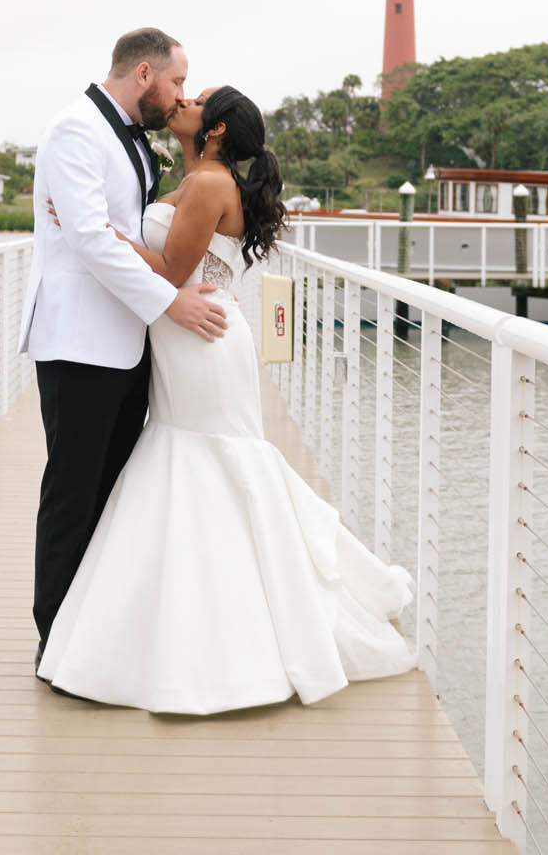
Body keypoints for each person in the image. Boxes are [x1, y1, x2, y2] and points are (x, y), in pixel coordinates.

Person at [35, 85, 415, 713]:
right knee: (189, 462)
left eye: (195, 98)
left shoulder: (211, 184)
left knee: (212, 461)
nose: (182, 101)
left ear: (212, 131)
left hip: (203, 341)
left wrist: (92, 229)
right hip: (187, 335)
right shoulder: (198, 177)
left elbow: (169, 269)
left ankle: (235, 629)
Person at [18, 28, 231, 666]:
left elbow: (131, 233)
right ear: (144, 74)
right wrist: (172, 302)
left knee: (113, 494)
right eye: (177, 83)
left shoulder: (133, 139)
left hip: (129, 343)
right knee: (74, 494)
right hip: (81, 341)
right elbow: (88, 237)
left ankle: (97, 635)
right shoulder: (76, 130)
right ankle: (55, 644)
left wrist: (200, 284)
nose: (180, 97)